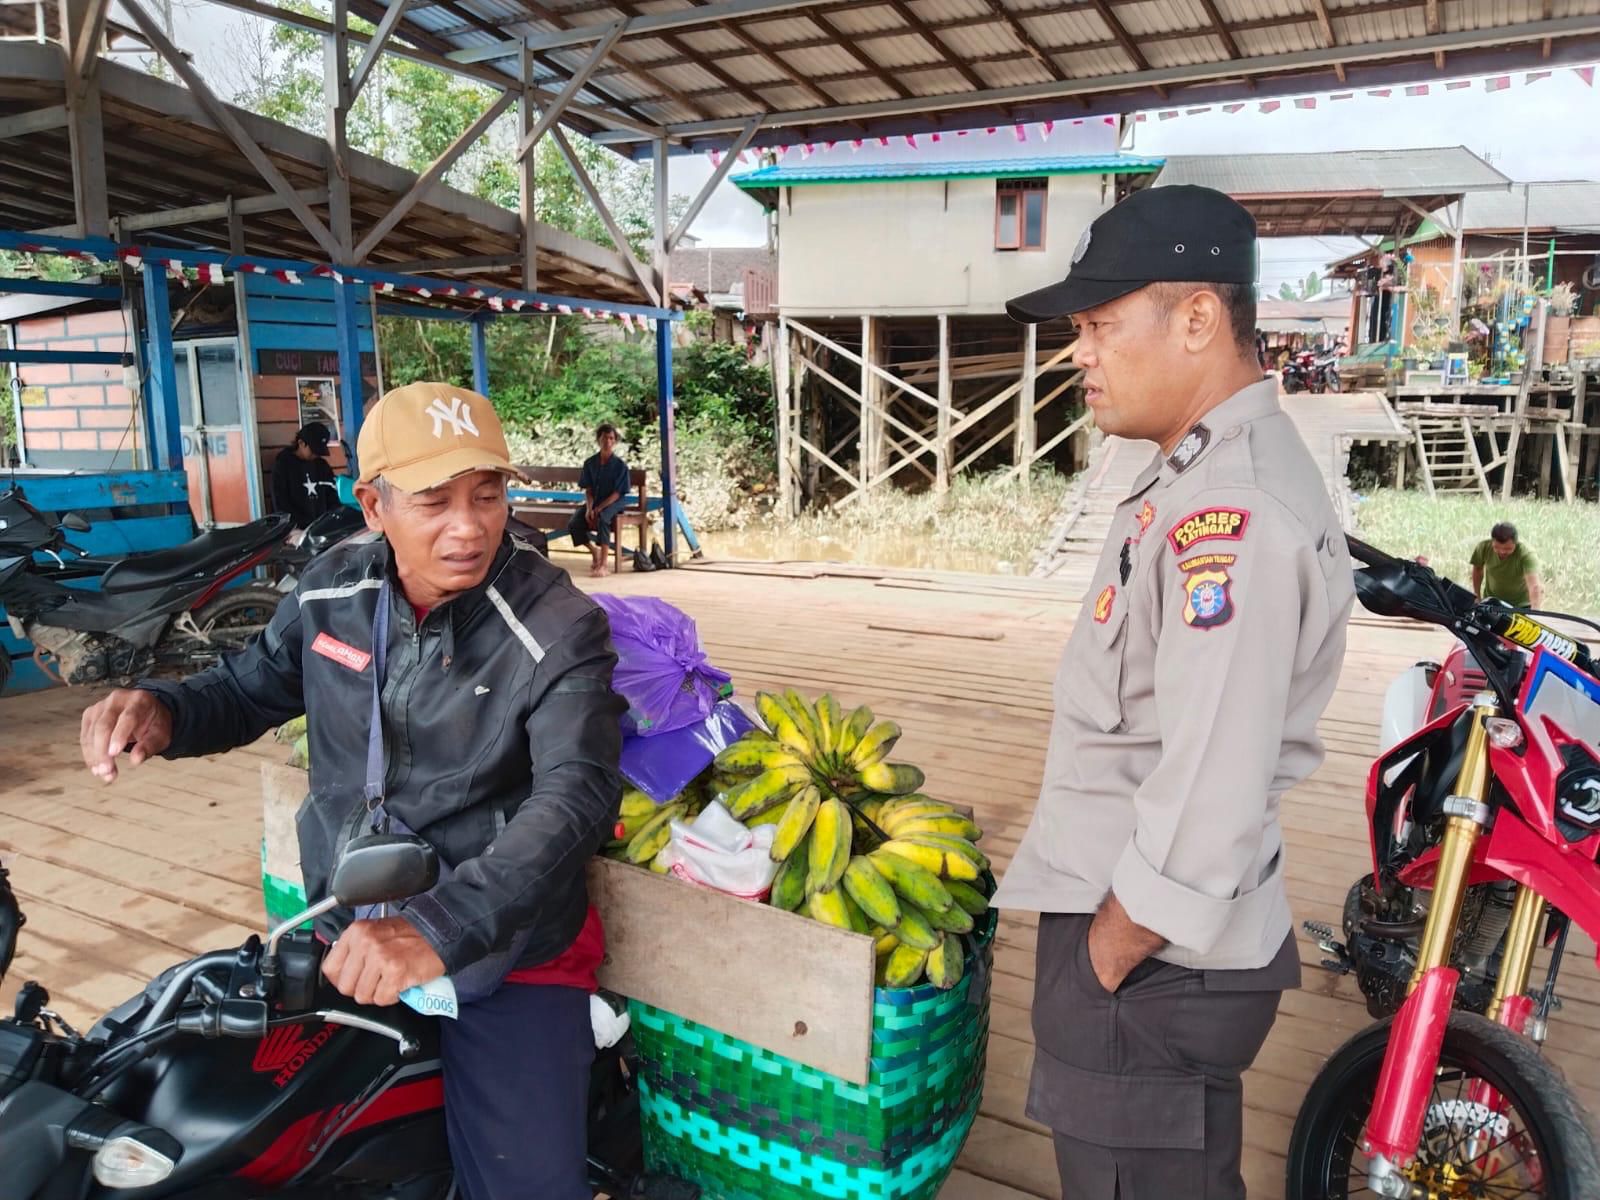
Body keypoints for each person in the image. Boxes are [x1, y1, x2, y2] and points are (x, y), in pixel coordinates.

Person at [78, 381, 626, 1200]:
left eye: (487, 495)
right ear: (373, 505)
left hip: (504, 949)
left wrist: (438, 926)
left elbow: (576, 796)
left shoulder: (556, 624)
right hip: (346, 924)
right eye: (434, 501)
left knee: (528, 1187)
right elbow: (248, 688)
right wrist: (166, 710)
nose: (469, 526)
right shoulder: (332, 589)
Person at [993, 185, 1356, 1199]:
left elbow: (1211, 788)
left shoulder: (1230, 512)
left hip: (1150, 960)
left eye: (1100, 325)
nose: (1079, 354)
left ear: (1197, 318)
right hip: (1148, 945)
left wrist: (1106, 959)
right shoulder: (1198, 472)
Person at [567, 422, 630, 578]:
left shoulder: (620, 466)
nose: (607, 441)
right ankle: (594, 551)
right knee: (574, 523)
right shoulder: (590, 463)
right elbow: (588, 489)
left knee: (602, 518)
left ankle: (603, 565)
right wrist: (589, 508)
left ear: (615, 441)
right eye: (604, 438)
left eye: (611, 438)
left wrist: (600, 508)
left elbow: (617, 493)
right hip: (595, 501)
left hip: (614, 502)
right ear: (598, 440)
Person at [270, 422, 341, 533]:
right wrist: (295, 526)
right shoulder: (283, 465)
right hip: (295, 529)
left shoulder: (322, 466)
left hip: (322, 527)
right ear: (301, 443)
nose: (316, 455)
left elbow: (332, 495)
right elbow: (280, 502)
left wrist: (332, 519)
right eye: (313, 451)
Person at [1471, 521, 1542, 609]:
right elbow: (1477, 570)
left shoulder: (1526, 554)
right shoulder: (1483, 547)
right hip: (1492, 603)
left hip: (1521, 606)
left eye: (1507, 549)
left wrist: (1534, 611)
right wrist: (1477, 596)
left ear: (1516, 543)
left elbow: (1534, 586)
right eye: (1496, 547)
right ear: (1492, 541)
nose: (1502, 552)